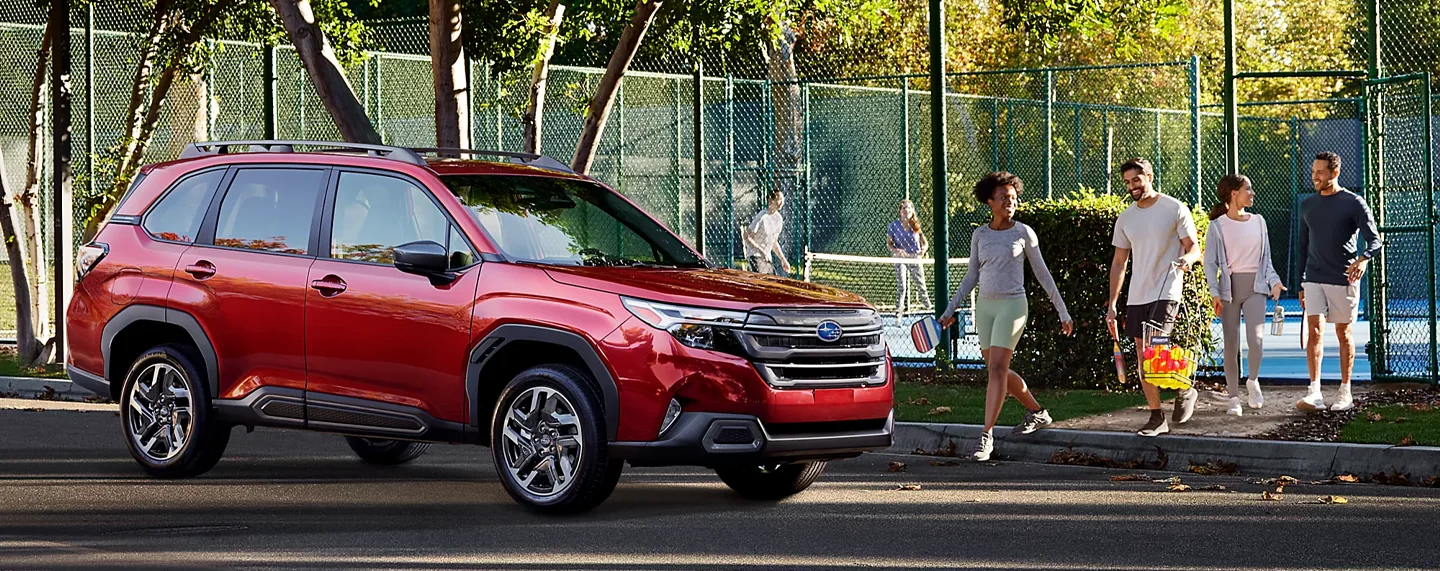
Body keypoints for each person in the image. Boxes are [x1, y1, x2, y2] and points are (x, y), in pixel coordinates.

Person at [939, 172, 1073, 462]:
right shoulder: (980, 235)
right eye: (1004, 198)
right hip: (985, 307)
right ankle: (1038, 412)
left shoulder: (1024, 232)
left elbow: (1043, 274)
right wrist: (951, 309)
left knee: (998, 368)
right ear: (990, 201)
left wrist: (1062, 311)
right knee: (995, 369)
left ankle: (986, 436)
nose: (1010, 202)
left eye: (1013, 198)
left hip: (1013, 306)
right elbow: (972, 275)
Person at [1105, 158, 1201, 437]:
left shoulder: (1174, 208)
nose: (1132, 186)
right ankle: (1159, 414)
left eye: (1136, 180)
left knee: (1154, 350)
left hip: (1167, 291)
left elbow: (1193, 247)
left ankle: (1182, 390)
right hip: (1137, 296)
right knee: (1142, 354)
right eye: (1127, 182)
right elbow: (1119, 263)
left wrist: (1188, 259)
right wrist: (1112, 303)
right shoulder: (1126, 217)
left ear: (1149, 176)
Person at [1296, 152, 1381, 412]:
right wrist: (1301, 284)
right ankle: (1314, 392)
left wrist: (1364, 259)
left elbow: (1375, 241)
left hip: (1343, 279)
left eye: (1320, 172)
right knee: (1315, 331)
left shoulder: (1354, 203)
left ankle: (1345, 392)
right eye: (1313, 172)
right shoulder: (1307, 205)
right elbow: (1302, 247)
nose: (1315, 176)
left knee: (1343, 334)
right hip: (1314, 279)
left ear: (1335, 172)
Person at [1201, 174, 1286, 416]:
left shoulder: (1259, 222)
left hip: (1256, 288)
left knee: (1256, 340)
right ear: (1233, 193)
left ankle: (1253, 381)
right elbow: (1210, 264)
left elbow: (1266, 260)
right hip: (1228, 291)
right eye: (1248, 189)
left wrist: (1275, 282)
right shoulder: (1216, 227)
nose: (1252, 193)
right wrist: (1215, 292)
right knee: (1231, 344)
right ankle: (1233, 398)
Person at [887, 199, 933, 320]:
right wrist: (897, 251)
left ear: (912, 211)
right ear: (900, 211)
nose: (906, 210)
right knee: (902, 286)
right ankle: (899, 312)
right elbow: (889, 245)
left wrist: (922, 251)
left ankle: (930, 310)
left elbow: (925, 243)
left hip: (914, 258)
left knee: (921, 285)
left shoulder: (916, 225)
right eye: (904, 208)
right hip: (900, 258)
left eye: (909, 208)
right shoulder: (893, 226)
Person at [741, 189, 791, 276]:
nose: (782, 202)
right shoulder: (762, 216)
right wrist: (761, 252)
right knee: (762, 281)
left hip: (767, 258)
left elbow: (774, 242)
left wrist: (783, 260)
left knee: (773, 282)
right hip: (755, 255)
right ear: (770, 200)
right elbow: (746, 236)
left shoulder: (779, 219)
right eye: (779, 199)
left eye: (783, 199)